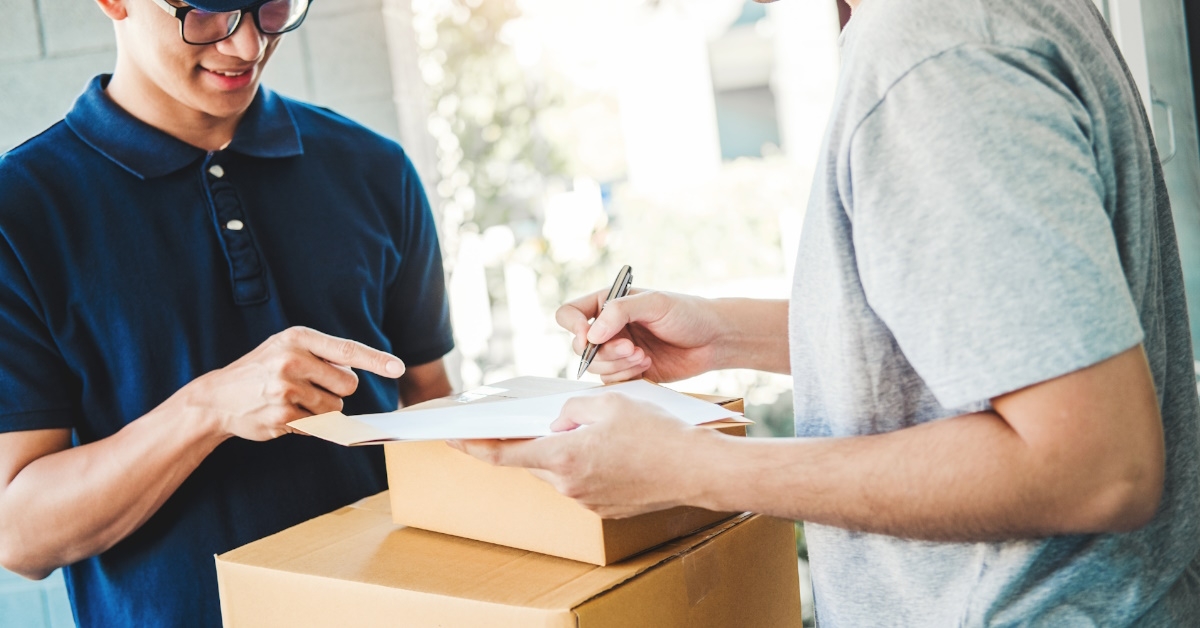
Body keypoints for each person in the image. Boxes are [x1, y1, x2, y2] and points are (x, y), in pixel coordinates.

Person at [458, 0, 1200, 623]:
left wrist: (689, 466)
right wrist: (720, 332)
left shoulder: (931, 54)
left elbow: (1097, 467)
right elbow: (997, 333)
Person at [0, 0, 454, 625]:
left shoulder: (376, 169)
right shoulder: (19, 214)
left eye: (271, 7)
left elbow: (434, 412)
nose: (246, 47)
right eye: (210, 11)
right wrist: (209, 407)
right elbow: (20, 537)